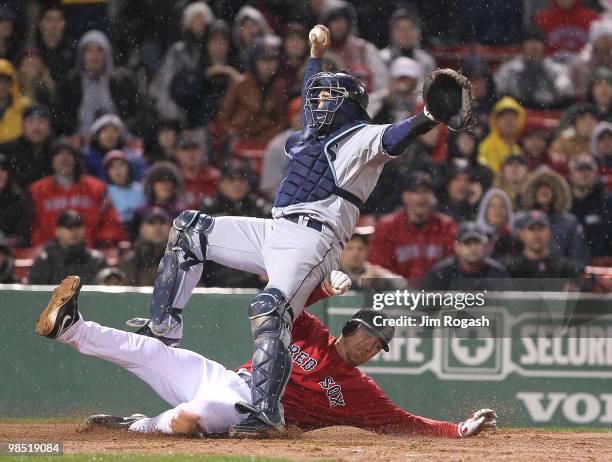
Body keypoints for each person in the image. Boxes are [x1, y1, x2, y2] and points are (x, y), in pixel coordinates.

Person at [126, 25, 472, 437]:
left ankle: (266, 412)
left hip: (314, 240)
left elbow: (397, 135)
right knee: (188, 230)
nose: (317, 101)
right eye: (318, 95)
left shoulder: (363, 136)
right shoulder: (314, 130)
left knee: (270, 309)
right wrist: (315, 54)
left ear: (347, 105)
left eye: (327, 97)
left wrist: (429, 116)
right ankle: (164, 329)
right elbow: (312, 86)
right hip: (276, 229)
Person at [35, 275, 497, 438]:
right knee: (151, 352)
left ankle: (135, 427)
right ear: (350, 328)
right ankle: (72, 327)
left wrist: (458, 429)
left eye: (381, 347)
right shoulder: (309, 330)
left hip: (253, 412)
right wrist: (320, 288)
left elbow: (405, 423)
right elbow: (273, 302)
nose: (373, 349)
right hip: (226, 378)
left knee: (193, 418)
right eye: (372, 338)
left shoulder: (360, 390)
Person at [28, 138, 126, 248]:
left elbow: (111, 222)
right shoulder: (37, 190)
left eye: (69, 154)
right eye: (59, 155)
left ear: (76, 160)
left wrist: (102, 244)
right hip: (51, 258)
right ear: (51, 160)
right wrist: (45, 249)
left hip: (90, 255)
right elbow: (32, 226)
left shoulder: (96, 188)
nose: (64, 159)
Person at [368, 171, 457, 285]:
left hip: (437, 295)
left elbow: (454, 265)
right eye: (416, 192)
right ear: (405, 196)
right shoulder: (387, 226)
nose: (422, 197)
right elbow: (377, 266)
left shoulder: (446, 226)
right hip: (396, 296)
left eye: (427, 191)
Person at [54, 30, 143, 136]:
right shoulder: (71, 83)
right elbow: (62, 117)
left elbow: (138, 114)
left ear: (107, 53)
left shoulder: (123, 80)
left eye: (99, 51)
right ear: (82, 55)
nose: (94, 57)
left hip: (118, 142)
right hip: (80, 141)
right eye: (89, 51)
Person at [216, 34, 288, 145]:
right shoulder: (239, 83)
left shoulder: (280, 86)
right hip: (240, 139)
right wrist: (234, 134)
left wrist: (272, 137)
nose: (269, 64)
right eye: (264, 59)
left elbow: (282, 119)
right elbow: (223, 118)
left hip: (268, 142)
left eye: (273, 59)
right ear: (254, 61)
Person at [521, 166, 590, 268]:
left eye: (549, 186)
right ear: (533, 191)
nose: (544, 190)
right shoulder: (520, 221)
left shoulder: (570, 223)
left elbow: (578, 259)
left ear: (556, 192)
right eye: (540, 186)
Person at [493, 28, 573, 110]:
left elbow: (566, 93)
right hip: (516, 112)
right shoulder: (509, 69)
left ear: (544, 46)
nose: (534, 46)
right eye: (530, 42)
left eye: (537, 42)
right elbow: (499, 90)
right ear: (523, 46)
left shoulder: (555, 69)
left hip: (547, 111)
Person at [422, 222, 511, 291]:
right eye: (467, 243)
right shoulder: (440, 274)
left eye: (477, 243)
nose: (473, 248)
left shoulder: (498, 273)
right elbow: (427, 309)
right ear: (457, 247)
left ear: (485, 245)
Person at [321, 1, 388, 92]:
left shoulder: (364, 48)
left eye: (344, 21)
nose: (340, 25)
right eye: (335, 20)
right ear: (326, 24)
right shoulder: (319, 51)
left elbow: (381, 82)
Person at [506, 211, 580, 290]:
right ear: (522, 234)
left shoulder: (564, 267)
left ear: (550, 232)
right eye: (532, 229)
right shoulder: (512, 268)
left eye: (541, 228)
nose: (537, 234)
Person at [28, 211, 107, 284]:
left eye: (78, 226)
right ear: (57, 231)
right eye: (69, 227)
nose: (74, 231)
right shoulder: (45, 261)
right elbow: (34, 295)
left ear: (84, 230)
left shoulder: (96, 260)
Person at [0, 103, 53, 189]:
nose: (36, 127)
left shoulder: (57, 152)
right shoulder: (7, 150)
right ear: (22, 126)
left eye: (41, 122)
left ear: (49, 126)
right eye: (31, 122)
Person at [568, 154, 612, 257]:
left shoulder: (608, 201)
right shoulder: (561, 201)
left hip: (602, 260)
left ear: (596, 173)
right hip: (570, 264)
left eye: (588, 169)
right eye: (580, 169)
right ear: (571, 174)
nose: (585, 174)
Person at [82, 113, 147, 182]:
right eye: (105, 130)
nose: (110, 134)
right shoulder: (86, 157)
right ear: (97, 135)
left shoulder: (133, 159)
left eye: (114, 130)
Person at [260, 97, 301, 200]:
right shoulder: (277, 146)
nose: (302, 117)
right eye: (297, 113)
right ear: (290, 117)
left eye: (306, 113)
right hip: (288, 204)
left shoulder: (327, 141)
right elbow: (271, 187)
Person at [119, 207, 172, 287]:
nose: (157, 227)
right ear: (142, 229)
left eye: (162, 222)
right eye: (151, 223)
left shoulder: (180, 260)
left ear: (171, 228)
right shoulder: (130, 261)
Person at [339, 232, 407, 291]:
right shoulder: (333, 269)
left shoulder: (370, 269)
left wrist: (383, 281)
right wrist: (363, 281)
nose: (355, 253)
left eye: (360, 249)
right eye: (349, 248)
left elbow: (402, 283)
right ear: (340, 251)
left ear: (367, 251)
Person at [379, 9, 436, 79]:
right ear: (392, 33)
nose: (405, 32)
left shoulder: (427, 61)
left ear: (418, 32)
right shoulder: (381, 59)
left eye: (410, 27)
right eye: (400, 28)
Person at [533, 0, 599, 59]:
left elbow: (598, 45)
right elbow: (536, 44)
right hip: (550, 63)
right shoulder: (542, 18)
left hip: (584, 63)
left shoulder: (591, 18)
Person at [477, 97, 525, 176]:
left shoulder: (518, 146)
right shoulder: (488, 146)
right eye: (504, 117)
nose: (509, 121)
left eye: (513, 117)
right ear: (496, 121)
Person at [172, 133, 220, 210]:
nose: (191, 153)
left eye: (194, 148)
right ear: (176, 153)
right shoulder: (171, 179)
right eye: (185, 149)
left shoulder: (214, 177)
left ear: (202, 151)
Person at [368, 57, 422, 125]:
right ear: (392, 79)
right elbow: (367, 122)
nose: (403, 83)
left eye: (407, 78)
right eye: (400, 78)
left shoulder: (420, 102)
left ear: (415, 82)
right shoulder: (378, 99)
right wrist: (390, 98)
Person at [103, 150, 145, 230]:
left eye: (121, 165)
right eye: (112, 167)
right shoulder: (104, 191)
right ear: (107, 172)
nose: (117, 170)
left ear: (129, 167)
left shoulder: (141, 189)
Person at [35, 4, 76, 86]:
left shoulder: (73, 50)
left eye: (58, 19)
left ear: (64, 23)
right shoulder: (33, 49)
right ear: (41, 23)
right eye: (49, 19)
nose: (54, 24)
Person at [476, 188, 522, 259]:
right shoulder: (475, 236)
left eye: (502, 206)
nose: (497, 210)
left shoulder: (516, 239)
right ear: (485, 210)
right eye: (493, 206)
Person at [0, 153, 28, 247]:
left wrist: (6, 242)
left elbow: (24, 236)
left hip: (12, 252)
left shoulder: (19, 199)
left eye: (3, 170)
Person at [0, 59, 30, 143]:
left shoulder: (25, 106)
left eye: (6, 80)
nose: (1, 85)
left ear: (12, 83)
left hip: (17, 154)